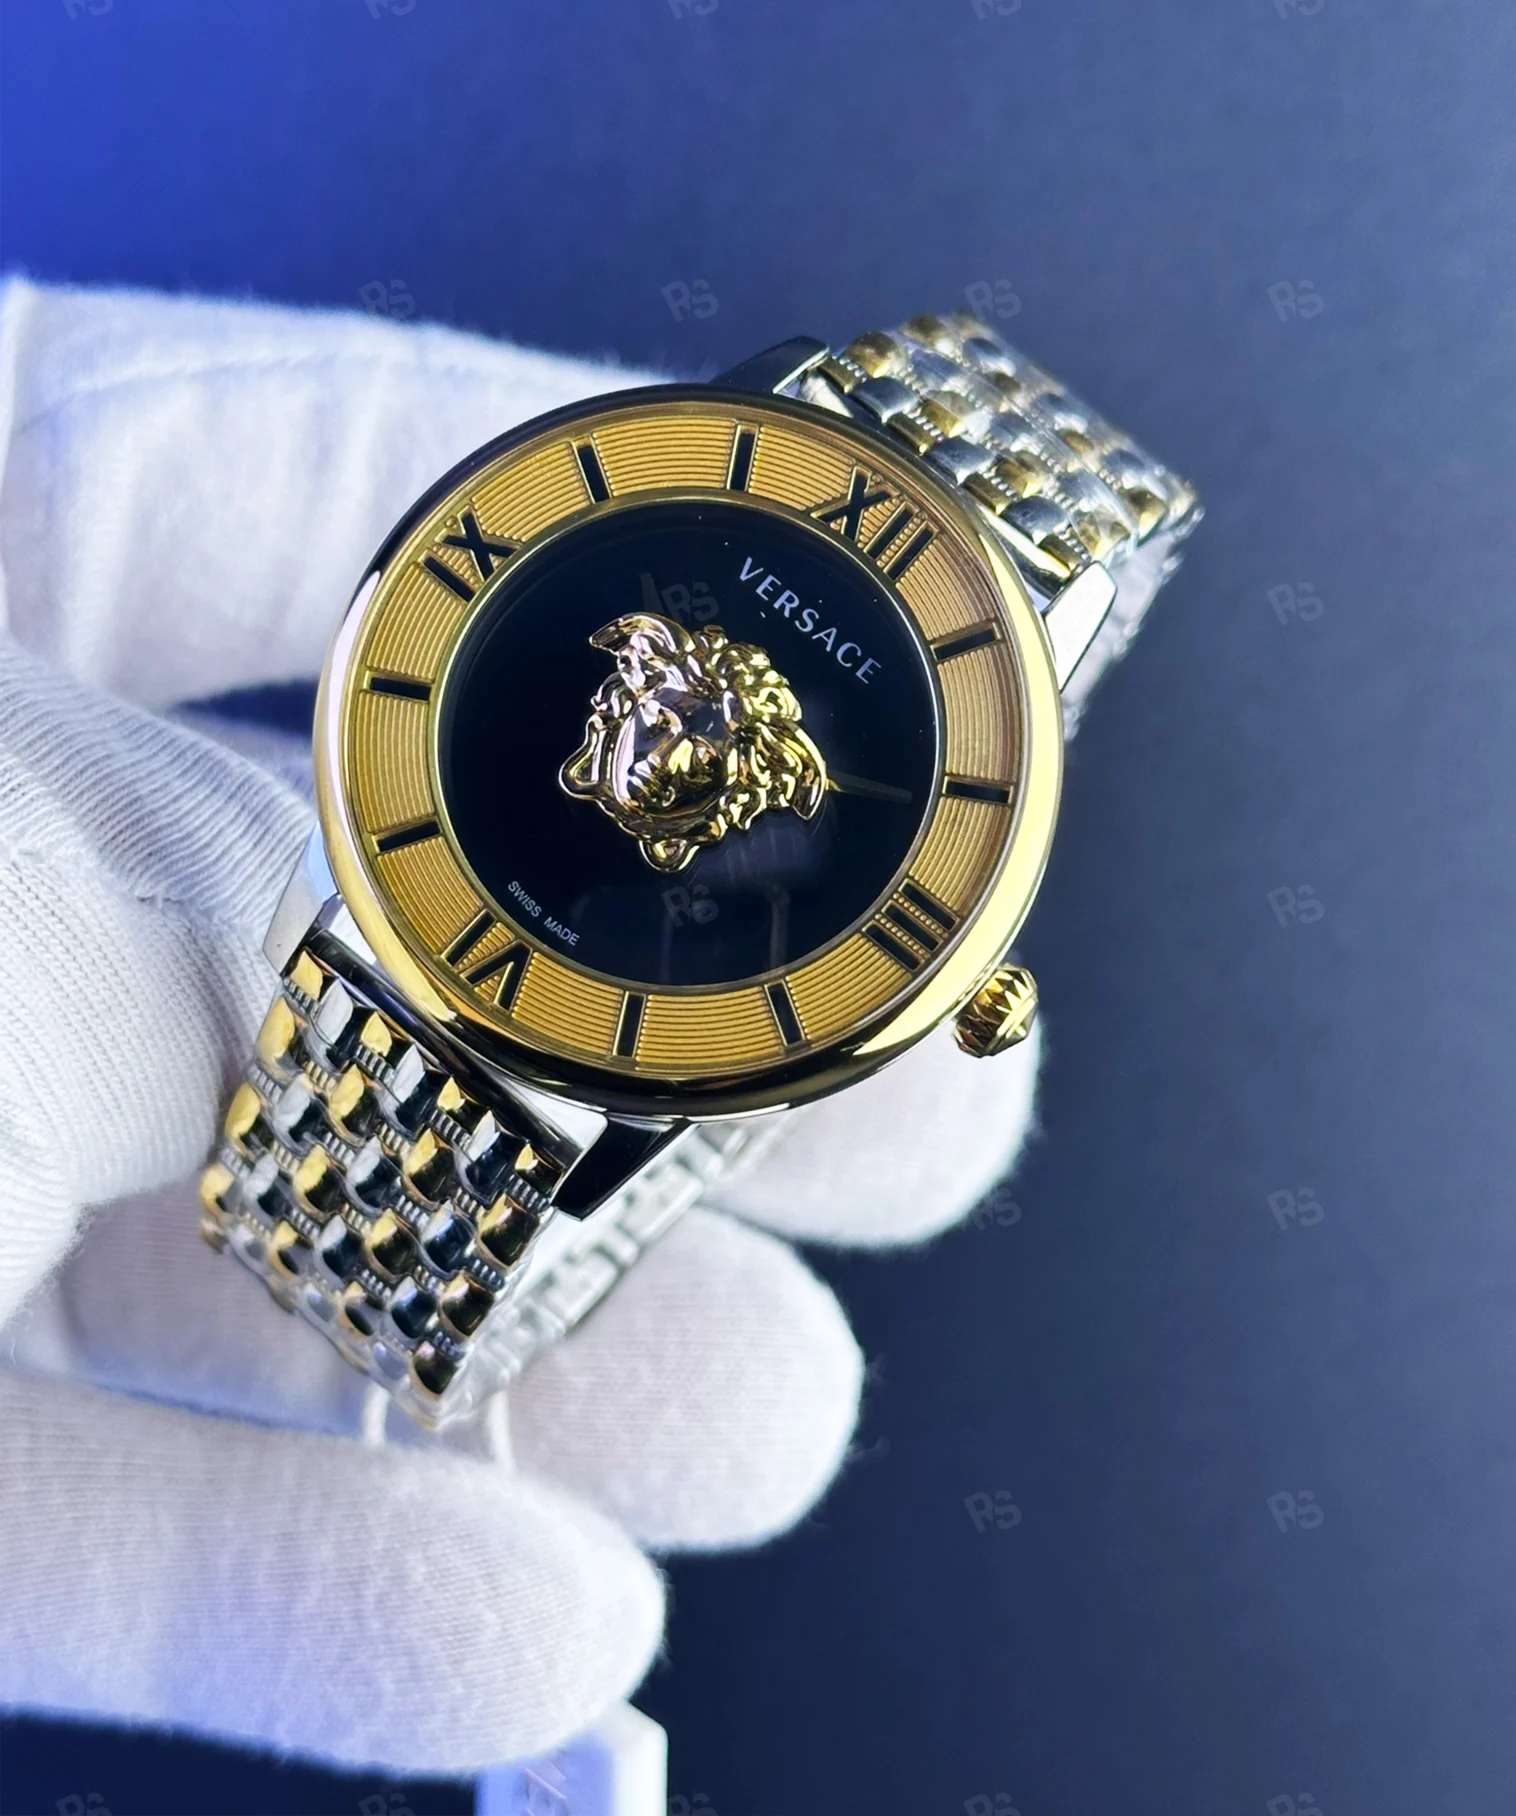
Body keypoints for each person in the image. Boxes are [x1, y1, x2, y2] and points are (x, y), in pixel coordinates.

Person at [0, 279, 1038, 1773]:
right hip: (386, 931)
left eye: (692, 729)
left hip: (537, 1039)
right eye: (649, 688)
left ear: (966, 979)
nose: (645, 733)